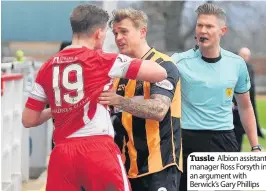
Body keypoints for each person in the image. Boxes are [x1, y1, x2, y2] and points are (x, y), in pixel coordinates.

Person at [22, 4, 167, 191]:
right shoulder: (102, 60)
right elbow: (160, 72)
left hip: (62, 155)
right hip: (97, 150)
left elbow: (28, 119)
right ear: (99, 33)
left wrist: (57, 109)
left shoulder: (46, 67)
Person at [171, 3, 262, 191]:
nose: (202, 30)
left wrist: (255, 146)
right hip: (187, 141)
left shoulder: (237, 64)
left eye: (209, 26)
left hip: (224, 140)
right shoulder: (179, 61)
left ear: (222, 30)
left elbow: (245, 107)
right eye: (199, 25)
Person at [98, 8, 182, 191]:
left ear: (142, 32)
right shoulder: (119, 72)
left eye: (124, 32)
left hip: (160, 167)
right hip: (126, 168)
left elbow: (159, 110)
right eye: (115, 33)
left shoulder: (163, 65)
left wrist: (119, 101)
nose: (118, 37)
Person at [233, 47, 264, 151]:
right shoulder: (233, 66)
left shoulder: (249, 68)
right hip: (232, 106)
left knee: (240, 131)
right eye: (243, 55)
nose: (245, 58)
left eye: (247, 56)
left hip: (244, 102)